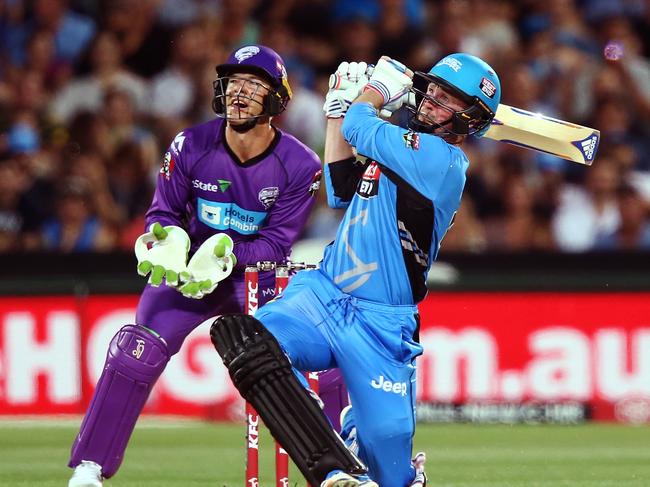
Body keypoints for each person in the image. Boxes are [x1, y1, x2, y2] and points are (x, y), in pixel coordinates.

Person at [209, 52, 501, 487]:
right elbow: (343, 188)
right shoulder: (399, 148)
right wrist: (336, 112)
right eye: (433, 90)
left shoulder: (442, 162)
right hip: (323, 294)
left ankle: (377, 461)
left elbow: (360, 126)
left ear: (469, 121)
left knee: (391, 473)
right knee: (245, 339)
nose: (430, 100)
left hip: (382, 325)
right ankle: (334, 467)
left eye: (447, 99)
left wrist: (370, 95)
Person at [67, 44, 324, 487]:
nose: (239, 93)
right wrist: (165, 242)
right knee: (137, 349)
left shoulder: (300, 164)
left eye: (253, 85)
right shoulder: (190, 144)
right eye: (234, 83)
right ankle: (89, 470)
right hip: (191, 273)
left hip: (255, 278)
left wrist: (227, 257)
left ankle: (340, 464)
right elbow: (162, 213)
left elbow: (277, 243)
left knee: (311, 354)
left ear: (276, 99)